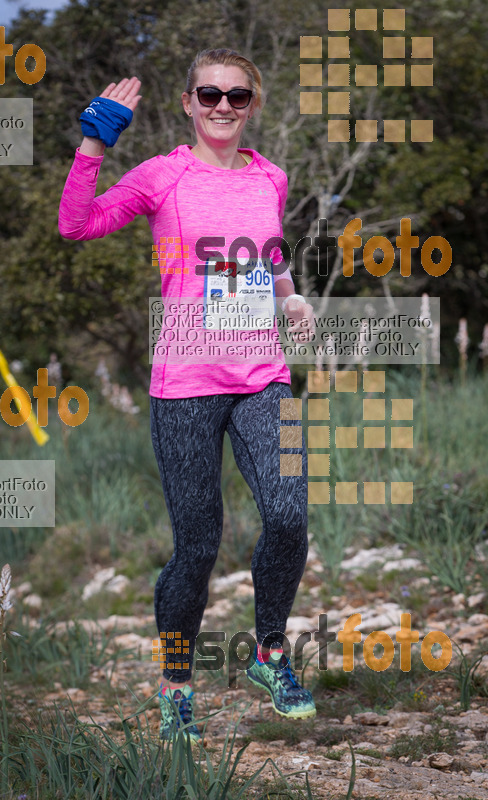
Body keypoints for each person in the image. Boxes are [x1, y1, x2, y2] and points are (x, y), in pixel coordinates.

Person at [59, 48, 317, 746]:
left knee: (289, 517)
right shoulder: (161, 175)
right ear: (187, 102)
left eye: (236, 96)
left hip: (264, 374)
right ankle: (176, 687)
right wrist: (92, 142)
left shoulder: (270, 175)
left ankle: (269, 653)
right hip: (186, 384)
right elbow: (76, 225)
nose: (222, 106)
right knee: (197, 547)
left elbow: (266, 253)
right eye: (209, 94)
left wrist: (290, 300)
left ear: (253, 103)